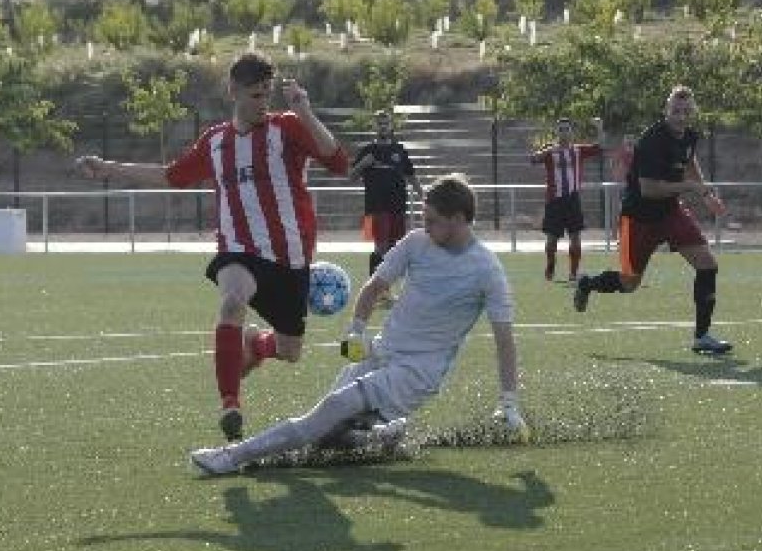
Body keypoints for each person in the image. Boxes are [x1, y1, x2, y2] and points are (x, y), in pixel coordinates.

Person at [75, 52, 349, 441]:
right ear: (232, 91)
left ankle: (256, 344)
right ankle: (230, 405)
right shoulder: (217, 141)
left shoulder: (286, 128)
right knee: (232, 302)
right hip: (239, 249)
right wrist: (109, 168)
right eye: (255, 95)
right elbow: (172, 175)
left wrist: (305, 113)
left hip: (291, 257)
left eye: (267, 94)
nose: (263, 103)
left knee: (290, 351)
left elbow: (338, 162)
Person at [189, 173, 528, 476]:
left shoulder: (486, 270)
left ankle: (231, 457)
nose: (425, 226)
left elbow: (504, 340)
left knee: (331, 409)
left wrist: (509, 402)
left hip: (417, 372)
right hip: (380, 351)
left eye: (432, 220)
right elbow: (374, 288)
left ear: (457, 219)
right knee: (326, 437)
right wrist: (356, 331)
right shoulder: (416, 243)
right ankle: (378, 437)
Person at [573, 86, 732, 355]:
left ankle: (702, 336)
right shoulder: (651, 141)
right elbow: (648, 189)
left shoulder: (689, 136)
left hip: (670, 212)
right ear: (665, 111)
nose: (680, 117)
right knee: (628, 283)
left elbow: (689, 160)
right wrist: (691, 188)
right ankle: (588, 283)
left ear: (691, 112)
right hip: (638, 218)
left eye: (685, 111)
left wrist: (705, 192)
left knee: (708, 265)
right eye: (675, 111)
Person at [350, 109, 424, 301]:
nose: (383, 126)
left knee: (395, 249)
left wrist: (424, 197)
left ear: (391, 126)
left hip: (398, 207)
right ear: (375, 126)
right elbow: (351, 177)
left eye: (386, 123)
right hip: (374, 207)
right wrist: (363, 164)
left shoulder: (400, 150)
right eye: (379, 123)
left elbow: (411, 176)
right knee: (380, 248)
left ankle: (386, 291)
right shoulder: (367, 151)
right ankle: (374, 293)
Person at [529, 117, 603, 283]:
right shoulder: (550, 150)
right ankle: (550, 265)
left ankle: (573, 273)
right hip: (554, 200)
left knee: (575, 237)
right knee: (551, 241)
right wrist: (547, 151)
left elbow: (599, 147)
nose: (563, 132)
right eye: (560, 129)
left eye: (566, 129)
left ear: (571, 132)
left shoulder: (578, 150)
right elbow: (533, 159)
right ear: (556, 132)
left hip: (572, 199)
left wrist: (599, 128)